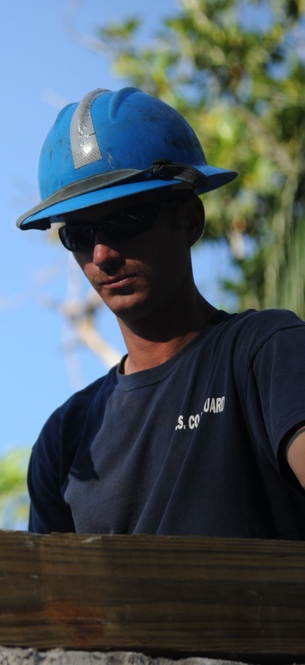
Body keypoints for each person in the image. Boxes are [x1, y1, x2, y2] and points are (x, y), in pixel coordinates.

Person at [16, 88, 305, 539]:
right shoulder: (66, 437)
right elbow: (49, 599)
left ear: (190, 220)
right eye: (79, 234)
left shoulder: (266, 353)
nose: (103, 253)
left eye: (127, 220)